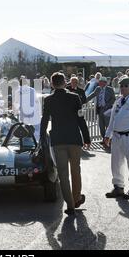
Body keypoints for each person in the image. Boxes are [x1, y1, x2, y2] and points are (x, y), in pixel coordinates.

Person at [40, 72, 90, 215]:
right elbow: (81, 119)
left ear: (51, 83)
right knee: (76, 170)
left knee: (63, 173)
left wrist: (42, 136)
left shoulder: (48, 100)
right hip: (74, 139)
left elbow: (44, 120)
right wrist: (86, 138)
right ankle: (76, 197)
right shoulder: (75, 98)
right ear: (65, 82)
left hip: (58, 140)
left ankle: (70, 205)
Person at [13, 76, 41, 140]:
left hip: (24, 115)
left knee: (25, 131)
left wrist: (15, 111)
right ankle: (36, 144)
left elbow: (16, 104)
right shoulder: (32, 90)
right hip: (34, 113)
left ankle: (26, 144)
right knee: (36, 130)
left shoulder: (18, 91)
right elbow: (37, 102)